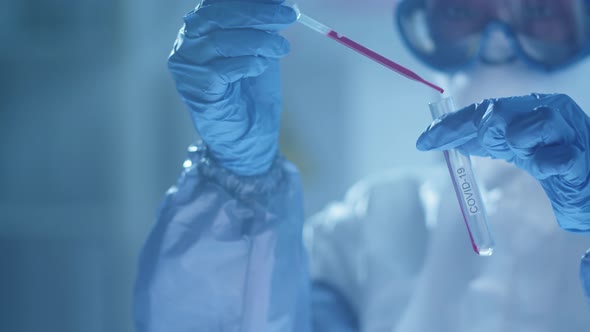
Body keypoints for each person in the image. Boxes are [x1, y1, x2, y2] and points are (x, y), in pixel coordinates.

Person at [133, 0, 590, 331]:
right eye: (461, 11)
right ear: (424, 26)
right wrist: (238, 179)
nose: (496, 44)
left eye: (539, 10)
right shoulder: (371, 223)